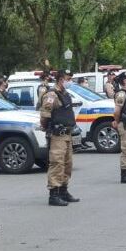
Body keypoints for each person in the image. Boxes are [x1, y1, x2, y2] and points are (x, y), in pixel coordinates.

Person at [40, 69, 79, 206]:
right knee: (57, 164)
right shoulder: (52, 95)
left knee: (67, 164)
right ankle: (54, 194)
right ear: (61, 79)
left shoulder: (65, 94)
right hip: (57, 135)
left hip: (67, 134)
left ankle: (63, 190)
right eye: (68, 79)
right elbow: (45, 115)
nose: (70, 82)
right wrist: (47, 128)